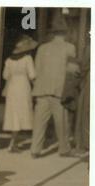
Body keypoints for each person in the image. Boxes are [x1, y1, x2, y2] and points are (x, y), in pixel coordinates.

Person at [30, 20, 79, 158]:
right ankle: (64, 149)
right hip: (59, 91)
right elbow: (72, 70)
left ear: (53, 33)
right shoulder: (70, 47)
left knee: (39, 122)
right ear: (65, 33)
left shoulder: (42, 48)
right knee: (61, 122)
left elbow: (37, 70)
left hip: (41, 90)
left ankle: (35, 149)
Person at [2, 35, 37, 152]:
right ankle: (12, 143)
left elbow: (5, 76)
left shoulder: (8, 60)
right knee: (22, 112)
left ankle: (13, 142)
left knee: (14, 114)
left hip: (12, 87)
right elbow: (32, 75)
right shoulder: (27, 59)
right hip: (23, 87)